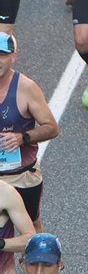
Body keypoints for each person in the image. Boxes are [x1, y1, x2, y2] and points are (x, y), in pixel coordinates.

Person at [0, 33, 57, 224]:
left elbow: (52, 128)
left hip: (22, 177)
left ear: (13, 56)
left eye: (2, 55)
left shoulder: (26, 87)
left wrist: (22, 137)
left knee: (33, 233)